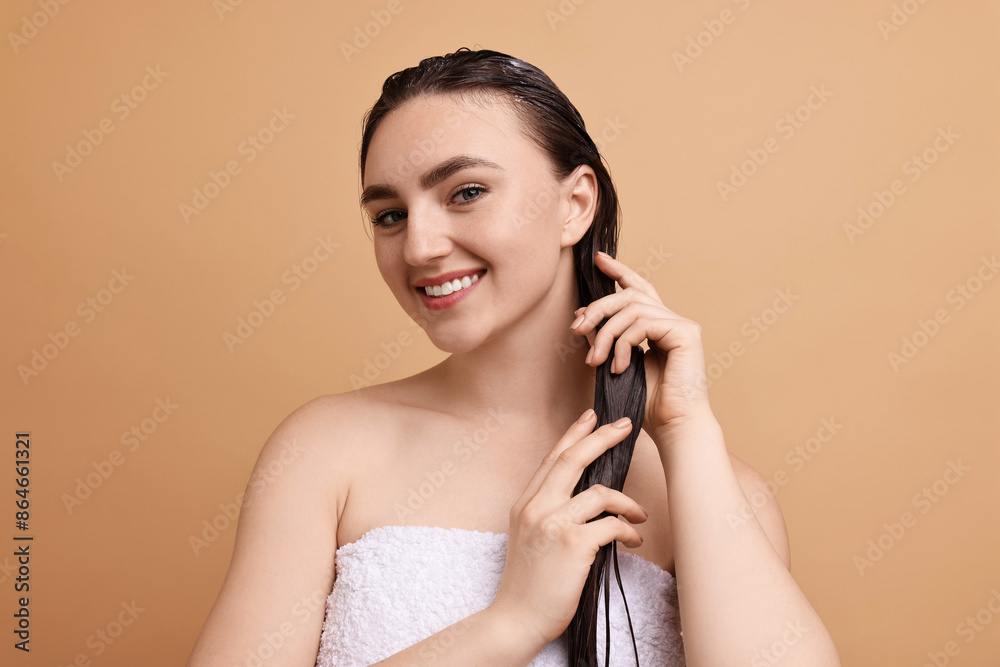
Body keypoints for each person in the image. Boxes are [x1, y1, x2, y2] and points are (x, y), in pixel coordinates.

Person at [187, 48, 841, 666]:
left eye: (465, 191)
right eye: (388, 214)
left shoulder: (711, 484)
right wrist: (512, 621)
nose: (418, 245)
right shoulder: (324, 450)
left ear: (575, 203)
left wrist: (687, 429)